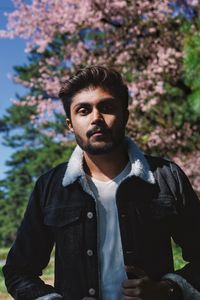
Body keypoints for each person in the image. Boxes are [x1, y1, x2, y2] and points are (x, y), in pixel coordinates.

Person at [3, 66, 200, 300]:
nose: (96, 118)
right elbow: (19, 271)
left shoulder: (167, 176)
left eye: (106, 107)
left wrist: (169, 289)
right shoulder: (50, 187)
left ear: (125, 116)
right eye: (83, 110)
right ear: (70, 124)